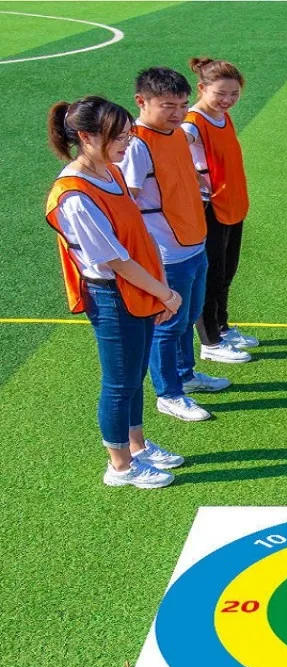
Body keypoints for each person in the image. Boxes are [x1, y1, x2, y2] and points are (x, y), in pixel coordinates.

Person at [45, 96, 184, 488]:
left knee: (135, 375)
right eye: (118, 136)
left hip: (136, 289)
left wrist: (157, 291)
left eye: (127, 134)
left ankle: (137, 446)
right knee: (119, 381)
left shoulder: (111, 171)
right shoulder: (73, 195)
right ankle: (120, 466)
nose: (127, 143)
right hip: (112, 295)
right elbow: (115, 261)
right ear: (86, 137)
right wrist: (165, 294)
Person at [121, 66, 229, 423]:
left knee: (186, 318)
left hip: (194, 243)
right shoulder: (136, 145)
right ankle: (168, 394)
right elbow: (128, 203)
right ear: (142, 101)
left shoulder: (177, 135)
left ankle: (186, 375)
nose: (179, 113)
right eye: (168, 105)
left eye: (183, 105)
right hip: (166, 253)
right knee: (168, 325)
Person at [183, 56, 257, 364]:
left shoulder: (222, 117)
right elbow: (170, 150)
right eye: (220, 94)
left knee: (226, 271)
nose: (228, 100)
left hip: (232, 204)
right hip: (208, 208)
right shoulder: (192, 122)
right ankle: (210, 342)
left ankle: (223, 327)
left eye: (234, 94)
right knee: (211, 275)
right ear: (201, 89)